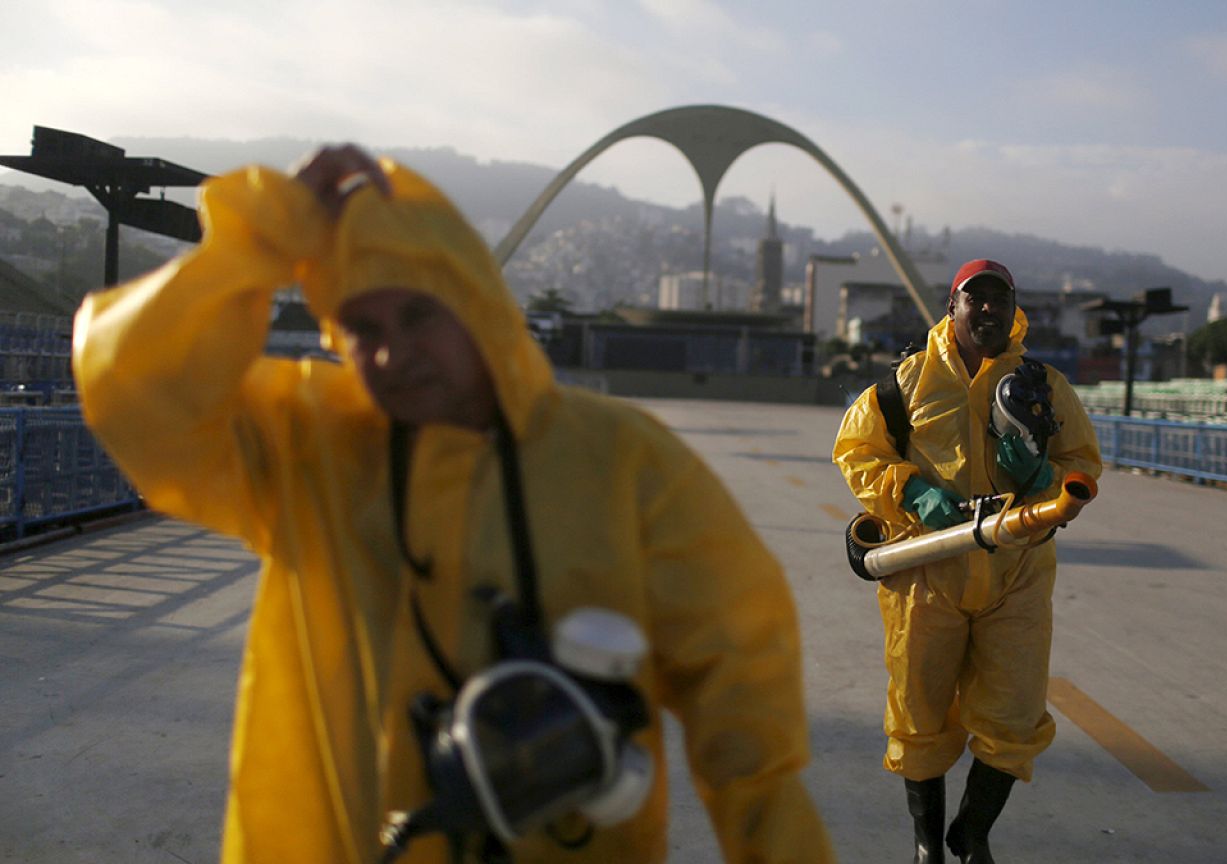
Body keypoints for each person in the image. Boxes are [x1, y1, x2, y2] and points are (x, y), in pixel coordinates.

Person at [72, 144, 832, 863]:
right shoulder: (308, 449)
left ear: (474, 303)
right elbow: (133, 386)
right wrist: (261, 234)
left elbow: (744, 704)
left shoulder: (627, 461)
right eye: (362, 327)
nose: (391, 354)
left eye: (419, 315)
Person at [832, 259, 1101, 863]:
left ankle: (972, 833)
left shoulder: (1044, 385)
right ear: (951, 307)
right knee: (919, 714)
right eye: (973, 298)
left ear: (1013, 309)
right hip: (927, 573)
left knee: (1015, 715)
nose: (986, 309)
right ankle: (927, 843)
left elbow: (1083, 462)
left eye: (998, 298)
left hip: (1017, 574)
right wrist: (912, 492)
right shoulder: (905, 384)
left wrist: (1043, 476)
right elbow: (857, 451)